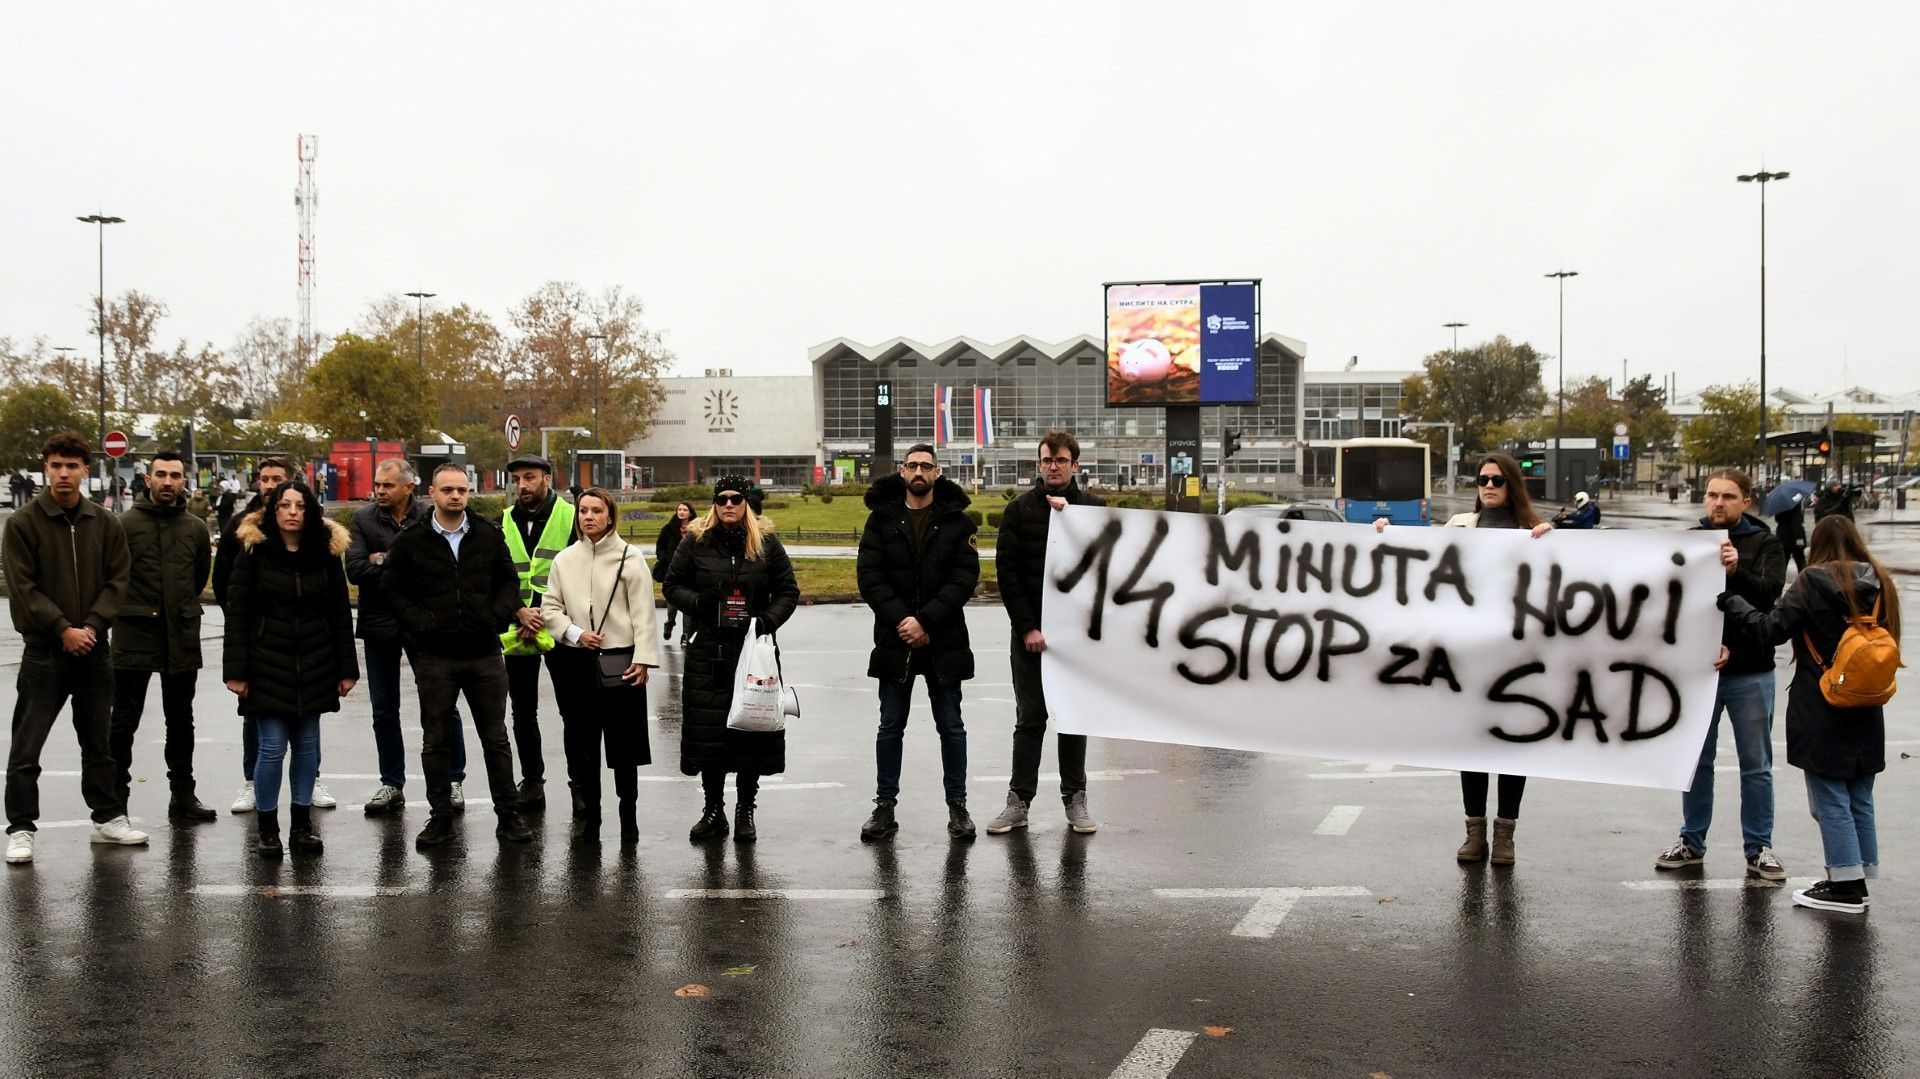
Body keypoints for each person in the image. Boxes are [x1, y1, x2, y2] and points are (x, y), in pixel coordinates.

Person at [1720, 516, 1899, 914]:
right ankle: (1858, 872)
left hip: (1822, 701)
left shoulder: (1811, 580)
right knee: (1858, 794)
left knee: (1829, 795)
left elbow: (1770, 629)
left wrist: (1733, 603)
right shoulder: (1880, 582)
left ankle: (1846, 887)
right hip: (1867, 700)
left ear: (1817, 544)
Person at [4, 432, 144, 864]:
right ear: (45, 468)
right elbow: (23, 588)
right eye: (56, 465)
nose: (63, 473)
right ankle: (21, 828)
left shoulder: (104, 523)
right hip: (44, 652)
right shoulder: (23, 523)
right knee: (27, 748)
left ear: (86, 470)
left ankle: (107, 817)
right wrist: (64, 628)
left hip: (94, 651)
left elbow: (118, 580)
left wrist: (92, 626)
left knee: (98, 742)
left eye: (72, 466)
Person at [386, 462, 535, 850]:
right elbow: (394, 591)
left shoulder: (486, 534)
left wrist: (495, 617)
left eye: (462, 490)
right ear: (431, 493)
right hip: (435, 658)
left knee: (496, 739)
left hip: (484, 654)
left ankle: (508, 815)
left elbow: (509, 582)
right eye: (448, 489)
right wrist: (421, 623)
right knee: (435, 741)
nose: (456, 496)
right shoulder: (411, 540)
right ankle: (440, 818)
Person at [1654, 469, 1787, 880]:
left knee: (1756, 765)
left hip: (1750, 671)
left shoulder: (1765, 543)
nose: (1718, 503)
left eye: (1728, 496)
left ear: (1745, 501)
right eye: (1712, 494)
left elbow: (1767, 598)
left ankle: (1759, 847)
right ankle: (1692, 841)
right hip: (1701, 671)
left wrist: (1736, 571)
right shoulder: (1691, 540)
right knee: (1697, 760)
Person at [222, 483, 358, 858]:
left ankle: (302, 828)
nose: (292, 512)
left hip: (316, 663)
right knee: (270, 749)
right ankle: (268, 830)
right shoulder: (254, 551)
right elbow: (237, 613)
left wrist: (347, 669)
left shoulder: (326, 552)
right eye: (285, 505)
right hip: (266, 663)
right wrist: (236, 670)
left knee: (308, 747)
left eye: (300, 505)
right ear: (274, 511)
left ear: (310, 510)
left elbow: (339, 614)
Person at [662, 475, 801, 843]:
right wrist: (698, 603)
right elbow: (671, 585)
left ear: (745, 503)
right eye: (721, 498)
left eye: (735, 498)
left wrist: (767, 620)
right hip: (709, 650)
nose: (728, 505)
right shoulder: (696, 541)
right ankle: (713, 810)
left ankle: (745, 810)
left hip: (753, 652)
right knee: (711, 737)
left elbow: (788, 590)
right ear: (713, 502)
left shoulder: (766, 542)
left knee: (750, 732)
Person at [1433, 453, 1553, 864]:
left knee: (1512, 747)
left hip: (1518, 659)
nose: (1488, 486)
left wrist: (1557, 540)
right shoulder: (1460, 527)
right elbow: (1419, 560)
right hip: (1470, 659)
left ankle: (1506, 835)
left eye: (1497, 481)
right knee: (1473, 746)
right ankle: (1474, 832)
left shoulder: (1533, 532)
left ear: (1512, 485)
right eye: (1482, 479)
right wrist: (1383, 533)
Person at [856, 444, 980, 841]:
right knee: (890, 726)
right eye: (912, 465)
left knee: (952, 727)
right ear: (902, 471)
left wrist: (925, 621)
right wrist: (903, 621)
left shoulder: (958, 522)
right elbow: (870, 578)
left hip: (944, 641)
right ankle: (884, 808)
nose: (919, 471)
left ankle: (958, 808)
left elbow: (964, 578)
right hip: (895, 641)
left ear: (938, 472)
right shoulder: (881, 520)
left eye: (926, 465)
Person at [987, 429, 1106, 836]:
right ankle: (1018, 801)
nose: (1052, 466)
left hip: (1076, 640)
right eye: (1045, 460)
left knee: (1073, 718)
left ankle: (1076, 799)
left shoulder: (1094, 509)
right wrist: (1027, 627)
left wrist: (1071, 515)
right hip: (1031, 637)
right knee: (1030, 718)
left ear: (1075, 464)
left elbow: (1105, 571)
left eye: (1060, 460)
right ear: (1039, 465)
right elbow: (1008, 573)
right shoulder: (1020, 510)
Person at [347, 459, 473, 816]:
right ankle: (392, 783)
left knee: (441, 704)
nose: (380, 491)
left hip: (424, 624)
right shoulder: (364, 519)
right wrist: (397, 562)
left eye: (388, 485)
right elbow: (354, 569)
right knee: (384, 709)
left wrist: (383, 560)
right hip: (379, 624)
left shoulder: (427, 516)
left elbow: (437, 567)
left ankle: (453, 779)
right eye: (377, 485)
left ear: (408, 487)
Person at [213, 458, 337, 812]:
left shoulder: (319, 538)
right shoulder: (244, 530)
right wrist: (252, 633)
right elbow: (226, 586)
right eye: (265, 480)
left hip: (307, 652)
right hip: (264, 650)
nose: (269, 485)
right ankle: (252, 783)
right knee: (262, 729)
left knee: (306, 732)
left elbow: (336, 607)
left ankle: (310, 782)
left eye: (276, 479)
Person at [540, 487, 660, 845]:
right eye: (582, 510)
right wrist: (576, 634)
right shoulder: (565, 559)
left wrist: (643, 659)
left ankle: (629, 819)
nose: (588, 516)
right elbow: (550, 608)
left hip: (621, 663)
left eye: (596, 510)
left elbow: (644, 612)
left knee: (625, 750)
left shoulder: (630, 556)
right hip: (577, 663)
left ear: (610, 516)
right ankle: (591, 817)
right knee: (583, 745)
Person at [108, 450, 218, 823]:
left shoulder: (195, 528)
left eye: (175, 475)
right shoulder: (123, 525)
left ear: (184, 481)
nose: (168, 482)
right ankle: (115, 803)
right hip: (134, 633)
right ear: (147, 479)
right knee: (123, 721)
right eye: (161, 475)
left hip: (181, 634)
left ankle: (183, 797)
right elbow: (111, 578)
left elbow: (199, 574)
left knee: (181, 720)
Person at [498, 453, 578, 811]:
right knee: (522, 712)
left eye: (529, 478)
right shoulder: (503, 521)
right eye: (517, 480)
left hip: (559, 626)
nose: (522, 486)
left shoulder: (571, 516)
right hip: (519, 627)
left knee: (573, 710)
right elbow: (495, 575)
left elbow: (581, 572)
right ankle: (533, 782)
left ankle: (580, 784)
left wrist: (548, 615)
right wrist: (518, 611)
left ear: (547, 478)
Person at [654, 502, 695, 646]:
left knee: (688, 606)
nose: (681, 512)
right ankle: (669, 623)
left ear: (690, 513)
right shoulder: (668, 529)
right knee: (672, 607)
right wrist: (668, 560)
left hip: (691, 574)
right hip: (673, 573)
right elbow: (660, 549)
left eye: (685, 509)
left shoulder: (696, 530)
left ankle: (686, 634)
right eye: (679, 509)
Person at [1775, 498, 1808, 572]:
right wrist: (1800, 540)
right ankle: (1805, 581)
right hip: (1794, 539)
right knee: (1800, 562)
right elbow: (1796, 523)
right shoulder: (1795, 504)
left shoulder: (1778, 504)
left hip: (1782, 537)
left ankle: (1779, 582)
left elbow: (1777, 519)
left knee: (1782, 563)